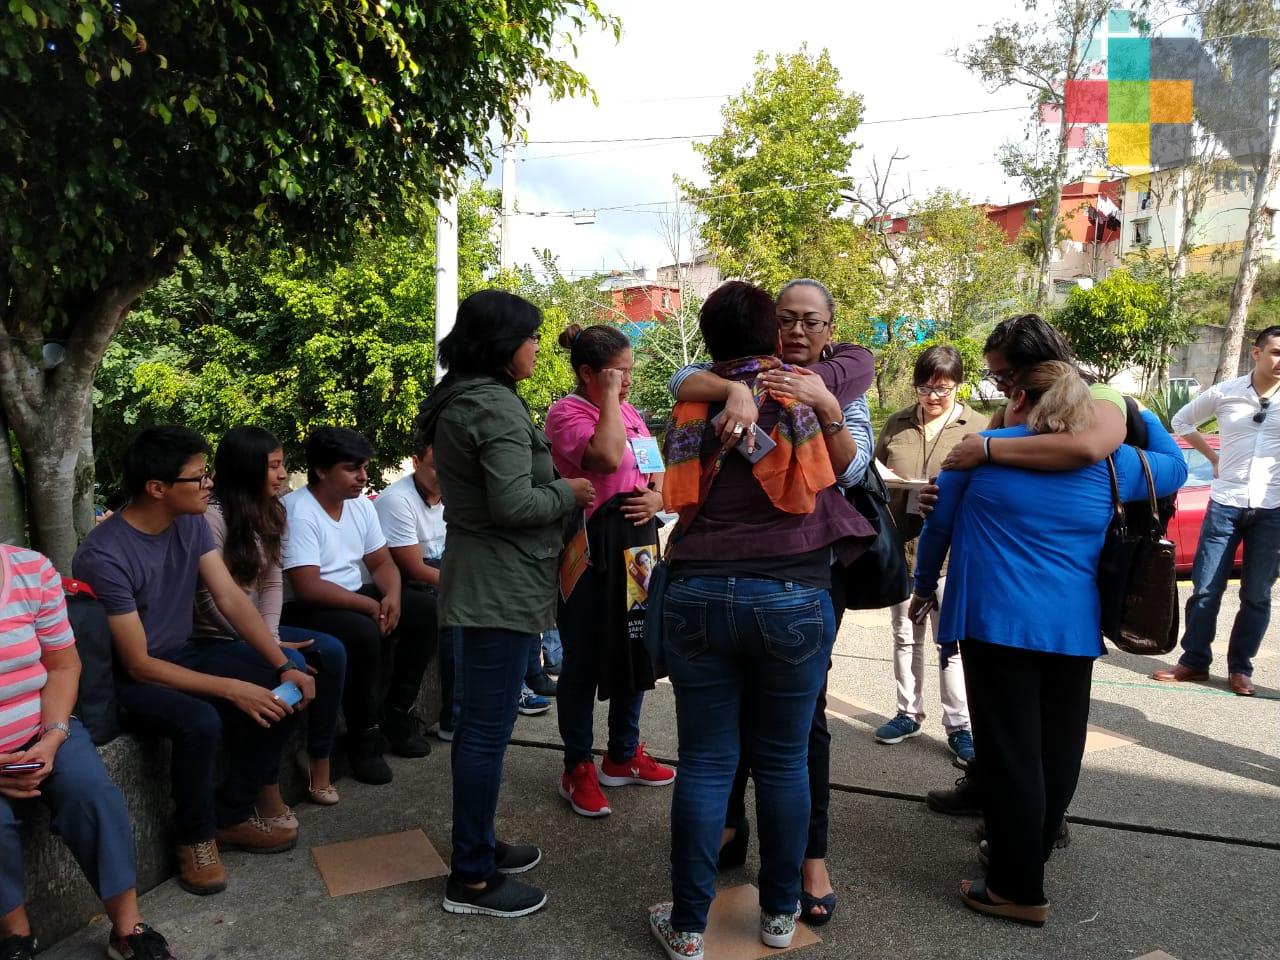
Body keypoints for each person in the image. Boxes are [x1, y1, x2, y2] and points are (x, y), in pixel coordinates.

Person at [912, 362, 1187, 926]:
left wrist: (920, 588)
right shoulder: (1116, 462)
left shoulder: (981, 450)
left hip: (996, 623)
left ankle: (1016, 888)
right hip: (1073, 626)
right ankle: (1026, 854)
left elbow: (938, 526)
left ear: (1020, 400)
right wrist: (1137, 411)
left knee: (1011, 755)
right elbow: (1178, 465)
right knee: (1056, 749)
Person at [649, 281, 875, 960]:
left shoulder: (692, 400)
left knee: (706, 763)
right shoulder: (793, 391)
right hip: (791, 596)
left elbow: (676, 425)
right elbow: (830, 476)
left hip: (694, 592)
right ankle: (779, 918)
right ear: (769, 333)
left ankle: (689, 928)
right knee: (783, 763)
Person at [72, 426, 314, 897]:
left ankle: (232, 814)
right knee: (200, 721)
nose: (209, 485)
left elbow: (229, 597)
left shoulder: (191, 523)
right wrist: (230, 688)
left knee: (285, 683)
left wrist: (283, 662)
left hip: (185, 652)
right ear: (157, 489)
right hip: (132, 676)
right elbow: (139, 663)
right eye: (198, 478)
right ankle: (195, 837)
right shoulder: (104, 555)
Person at [417, 289, 594, 918]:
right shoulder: (489, 407)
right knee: (485, 732)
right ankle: (470, 877)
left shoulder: (471, 397)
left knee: (485, 729)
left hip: (494, 579)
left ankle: (482, 847)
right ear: (502, 344)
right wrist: (570, 491)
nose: (537, 347)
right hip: (496, 584)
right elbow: (513, 505)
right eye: (531, 336)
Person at [924, 313, 1134, 819]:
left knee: (1015, 740)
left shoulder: (1098, 401)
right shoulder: (1021, 424)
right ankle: (1027, 826)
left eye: (1004, 377)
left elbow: (1085, 446)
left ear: (1028, 379)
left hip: (1006, 611)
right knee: (1041, 737)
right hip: (1068, 614)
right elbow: (1160, 464)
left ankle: (1020, 854)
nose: (999, 388)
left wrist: (986, 448)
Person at [0, 543, 177, 960]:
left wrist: (54, 735)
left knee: (92, 794)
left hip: (44, 726)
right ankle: (15, 937)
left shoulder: (30, 569)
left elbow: (64, 665)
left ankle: (128, 928)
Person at [544, 322, 675, 820]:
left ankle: (623, 752)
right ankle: (577, 765)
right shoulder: (567, 413)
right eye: (618, 374)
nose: (628, 383)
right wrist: (608, 400)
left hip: (638, 548)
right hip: (591, 546)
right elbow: (604, 455)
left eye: (629, 373)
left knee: (636, 648)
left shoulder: (634, 412)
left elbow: (654, 468)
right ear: (588, 374)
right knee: (583, 657)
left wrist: (659, 497)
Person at [193, 426, 347, 811]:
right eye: (273, 466)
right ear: (247, 469)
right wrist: (265, 647)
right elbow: (210, 599)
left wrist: (271, 636)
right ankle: (265, 783)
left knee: (332, 652)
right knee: (291, 670)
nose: (282, 474)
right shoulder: (211, 519)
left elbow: (273, 582)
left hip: (259, 631)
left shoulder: (272, 511)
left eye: (282, 465)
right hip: (215, 635)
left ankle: (318, 760)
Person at [280, 427, 436, 786]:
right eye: (352, 469)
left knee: (424, 610)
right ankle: (363, 737)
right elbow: (308, 586)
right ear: (321, 470)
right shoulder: (299, 511)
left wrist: (391, 597)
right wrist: (369, 606)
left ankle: (398, 713)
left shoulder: (360, 507)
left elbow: (382, 563)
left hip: (352, 595)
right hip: (307, 607)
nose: (363, 477)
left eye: (364, 467)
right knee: (362, 632)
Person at [872, 346, 984, 766]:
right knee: (904, 635)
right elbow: (873, 475)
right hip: (903, 550)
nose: (933, 397)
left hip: (952, 554)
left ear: (958, 385)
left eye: (943, 389)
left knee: (949, 641)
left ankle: (959, 726)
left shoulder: (977, 427)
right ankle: (907, 712)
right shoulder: (897, 424)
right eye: (925, 388)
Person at [1154, 325, 1280, 697]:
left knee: (1257, 595)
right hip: (1225, 505)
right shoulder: (1227, 392)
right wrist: (1212, 458)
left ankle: (1241, 668)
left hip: (1272, 509)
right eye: (1275, 352)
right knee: (1206, 589)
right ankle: (1194, 661)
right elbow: (1181, 421)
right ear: (1256, 354)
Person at [371, 432, 458, 736]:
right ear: (416, 461)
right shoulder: (397, 500)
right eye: (436, 466)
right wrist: (467, 584)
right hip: (401, 585)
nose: (444, 474)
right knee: (448, 611)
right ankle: (451, 714)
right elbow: (415, 569)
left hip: (438, 578)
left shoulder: (455, 496)